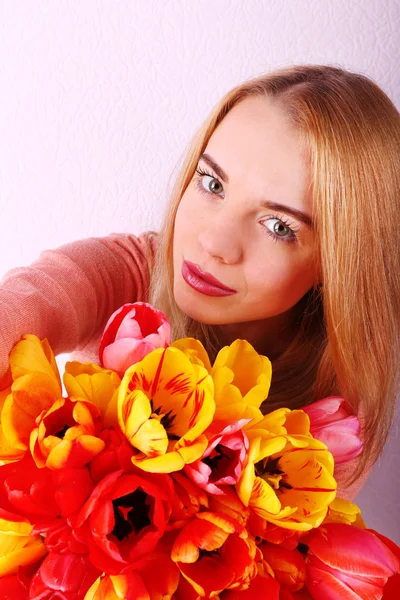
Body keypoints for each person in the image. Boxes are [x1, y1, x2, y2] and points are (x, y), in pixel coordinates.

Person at [0, 64, 399, 503]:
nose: (214, 243)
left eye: (279, 226)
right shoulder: (128, 274)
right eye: (212, 183)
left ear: (342, 262)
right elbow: (28, 301)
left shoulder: (336, 412)